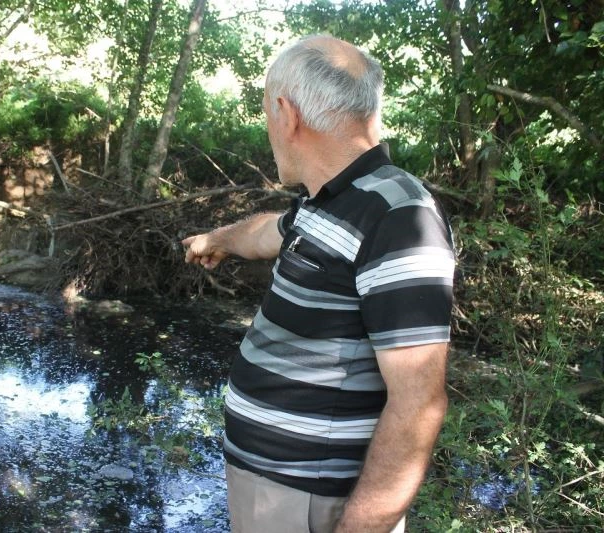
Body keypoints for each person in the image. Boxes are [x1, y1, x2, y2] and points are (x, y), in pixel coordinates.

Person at [181, 35, 455, 533]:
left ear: (286, 113)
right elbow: (269, 233)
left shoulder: (397, 215)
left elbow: (418, 404)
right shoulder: (331, 201)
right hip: (276, 490)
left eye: (266, 113)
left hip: (310, 503)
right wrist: (216, 239)